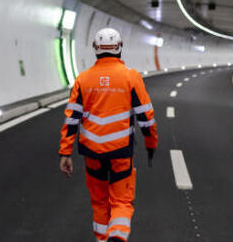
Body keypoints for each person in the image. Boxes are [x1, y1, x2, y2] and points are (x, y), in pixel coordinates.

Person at [59, 27, 158, 242]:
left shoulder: (83, 80)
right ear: (120, 47)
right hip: (121, 152)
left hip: (92, 153)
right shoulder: (131, 78)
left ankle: (102, 239)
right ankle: (117, 237)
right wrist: (151, 144)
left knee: (100, 201)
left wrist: (65, 153)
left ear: (95, 48)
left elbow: (72, 119)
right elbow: (146, 118)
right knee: (121, 201)